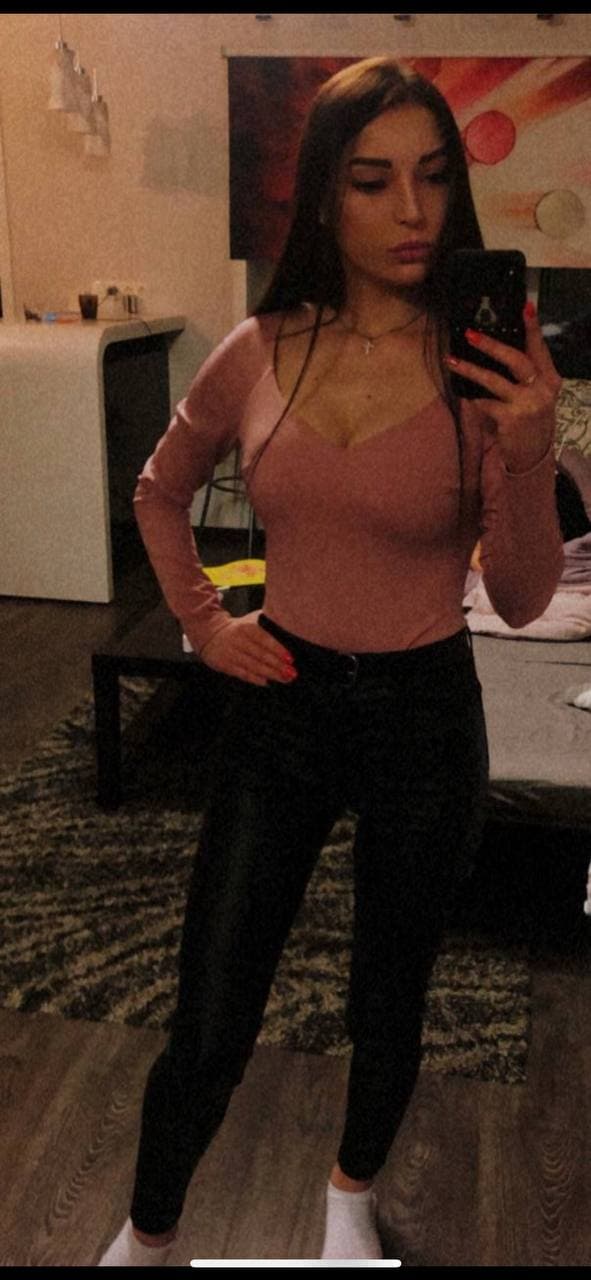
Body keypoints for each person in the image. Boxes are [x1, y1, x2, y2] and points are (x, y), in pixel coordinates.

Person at [98, 56, 563, 1265]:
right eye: (372, 180)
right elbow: (158, 491)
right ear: (321, 196)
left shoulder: (484, 371)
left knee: (389, 996)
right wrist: (207, 620)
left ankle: (351, 1193)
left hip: (425, 713)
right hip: (283, 701)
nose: (412, 211)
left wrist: (531, 445)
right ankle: (148, 1231)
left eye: (434, 176)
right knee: (210, 1010)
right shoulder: (260, 347)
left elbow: (522, 598)